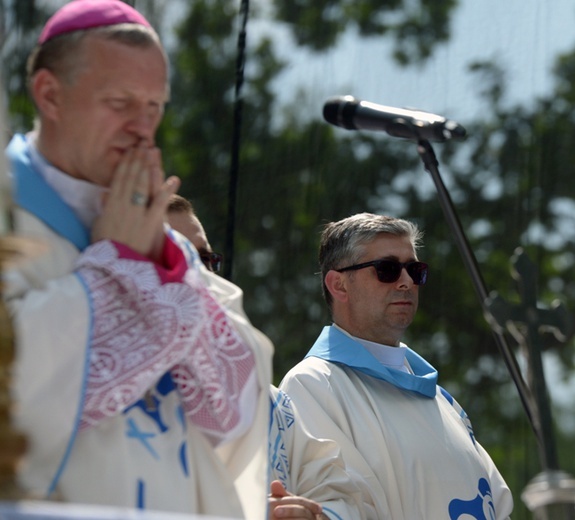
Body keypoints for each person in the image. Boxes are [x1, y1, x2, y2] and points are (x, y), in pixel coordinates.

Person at [4, 1, 272, 518]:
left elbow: (240, 416)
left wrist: (162, 268)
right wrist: (117, 271)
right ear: (50, 94)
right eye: (121, 102)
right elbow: (10, 397)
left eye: (155, 107)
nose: (143, 128)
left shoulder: (169, 252)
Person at [279, 212, 514, 520]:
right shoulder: (312, 385)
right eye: (387, 269)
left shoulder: (443, 400)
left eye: (415, 270)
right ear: (339, 285)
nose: (406, 282)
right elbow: (333, 507)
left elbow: (496, 504)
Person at [167, 194, 365, 520]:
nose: (200, 275)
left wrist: (313, 515)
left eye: (205, 259)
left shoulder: (267, 401)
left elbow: (337, 490)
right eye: (177, 256)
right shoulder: (97, 392)